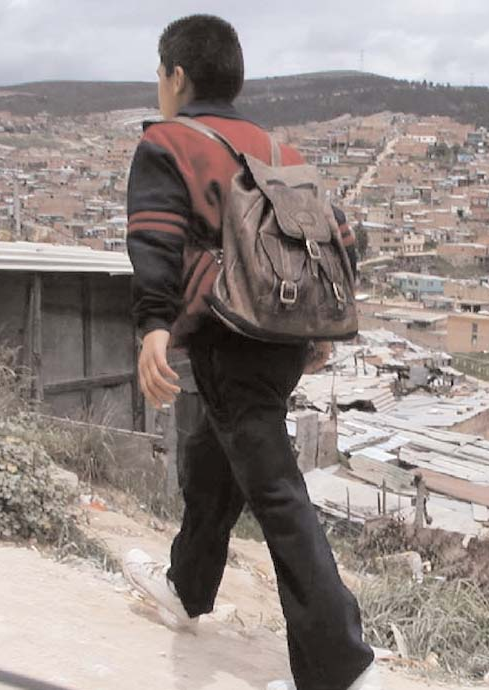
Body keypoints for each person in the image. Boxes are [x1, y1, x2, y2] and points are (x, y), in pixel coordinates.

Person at [122, 15, 376, 690]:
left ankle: (341, 668)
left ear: (177, 77)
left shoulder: (168, 143)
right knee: (215, 456)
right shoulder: (277, 150)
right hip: (282, 336)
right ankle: (186, 586)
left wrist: (154, 328)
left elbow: (155, 237)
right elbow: (339, 239)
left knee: (276, 493)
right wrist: (312, 330)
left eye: (159, 74)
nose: (159, 85)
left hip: (228, 334)